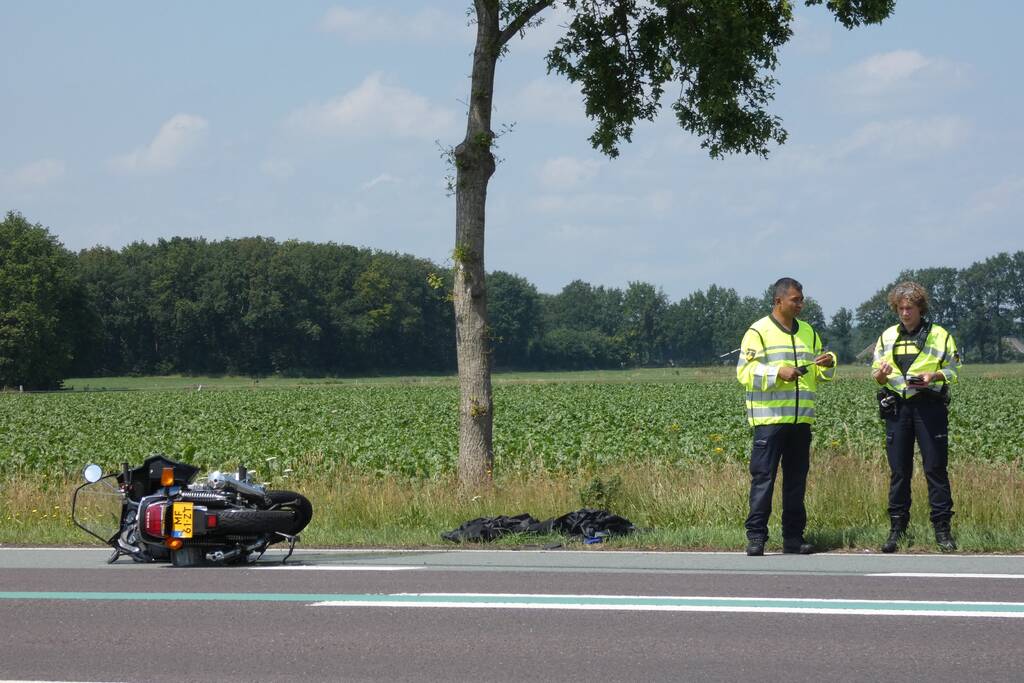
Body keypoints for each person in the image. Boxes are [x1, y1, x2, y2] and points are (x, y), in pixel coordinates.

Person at [736, 278, 836, 556]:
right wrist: (776, 372)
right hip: (769, 421)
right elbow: (744, 373)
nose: (801, 304)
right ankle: (756, 537)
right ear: (779, 301)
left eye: (801, 299)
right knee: (763, 480)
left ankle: (793, 538)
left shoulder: (809, 332)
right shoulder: (758, 331)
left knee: (796, 482)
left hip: (801, 422)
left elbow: (820, 374)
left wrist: (828, 364)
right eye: (795, 300)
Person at [872, 281, 961, 553]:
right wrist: (880, 376)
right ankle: (897, 530)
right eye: (900, 308)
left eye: (910, 308)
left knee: (935, 469)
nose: (905, 313)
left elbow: (954, 370)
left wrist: (933, 376)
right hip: (898, 407)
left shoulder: (940, 335)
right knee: (899, 471)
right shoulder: (887, 337)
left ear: (920, 308)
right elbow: (876, 374)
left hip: (929, 405)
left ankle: (942, 530)